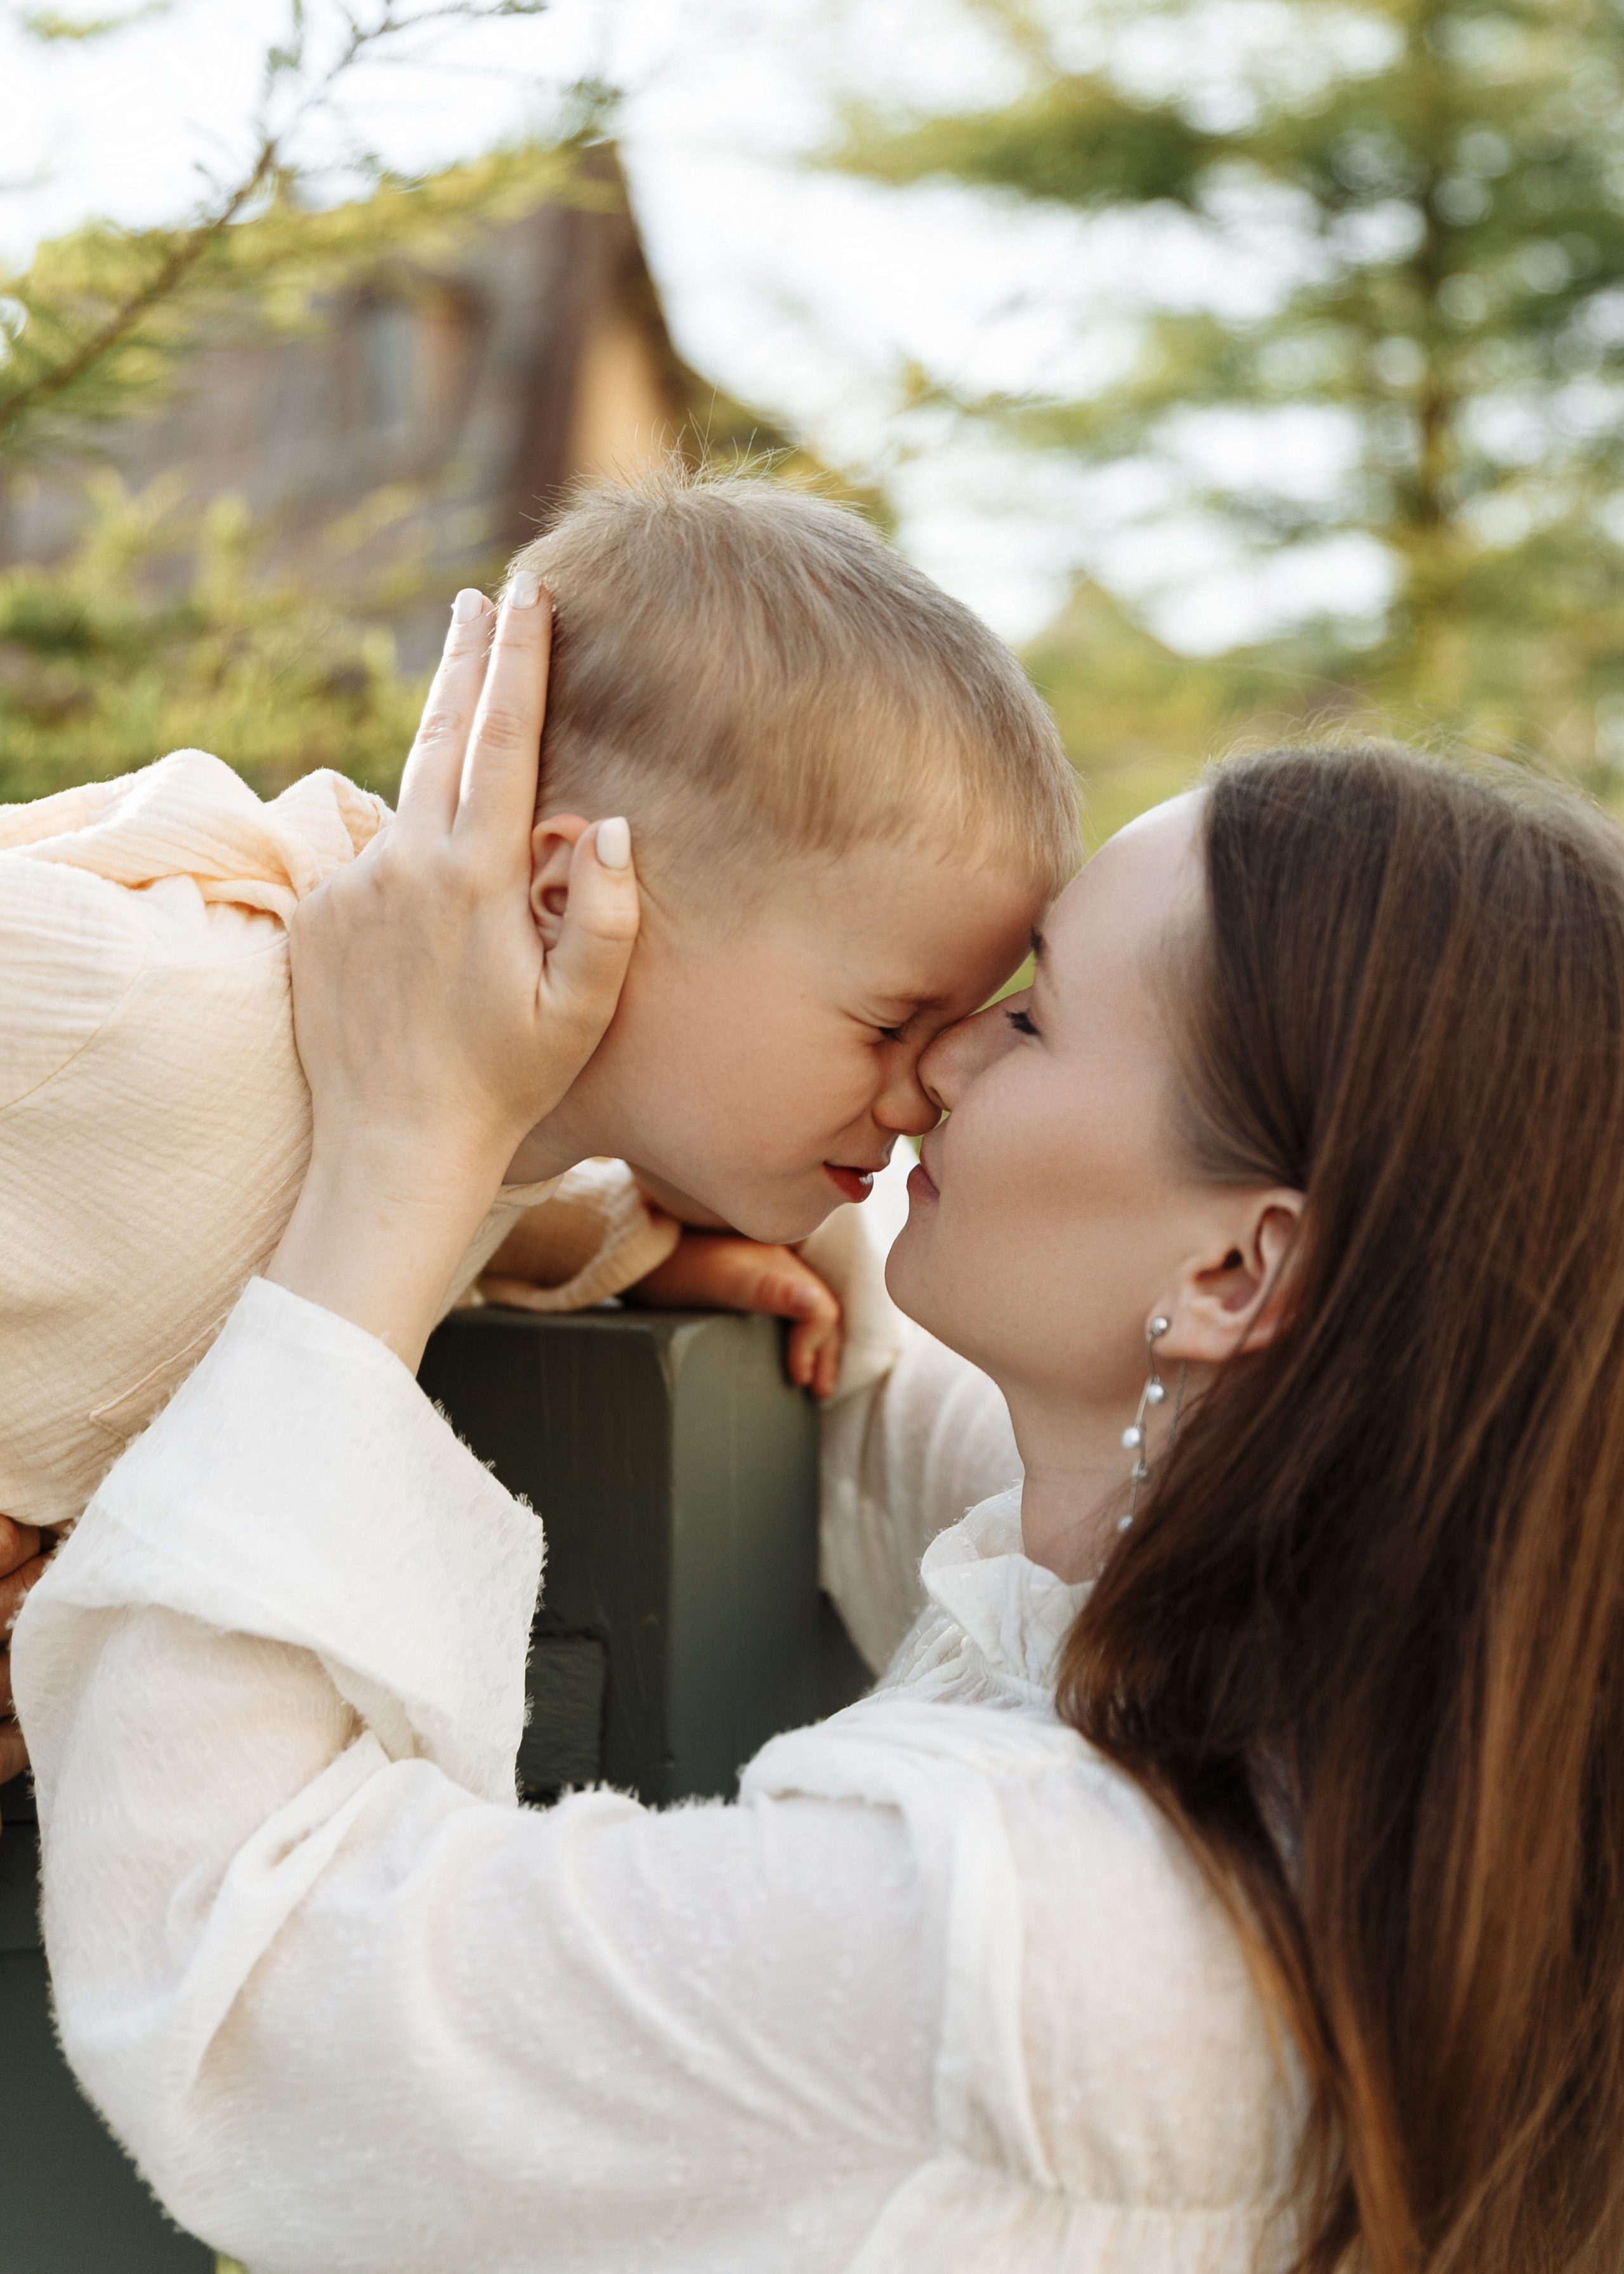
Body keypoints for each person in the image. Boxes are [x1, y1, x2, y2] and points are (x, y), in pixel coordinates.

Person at [17, 596, 1624, 2274]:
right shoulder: (1336, 1660)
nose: (935, 1070)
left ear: (1235, 1268)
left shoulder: (1066, 1955)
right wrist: (649, 1129)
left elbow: (245, 1993)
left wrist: (406, 1149)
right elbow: (875, 1387)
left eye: (1034, 1015)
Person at [0, 466, 1075, 1530]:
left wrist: (644, 1251)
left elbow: (434, 1194)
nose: (926, 1090)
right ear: (571, 901)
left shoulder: (476, 1120)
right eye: (892, 1024)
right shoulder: (162, 988)